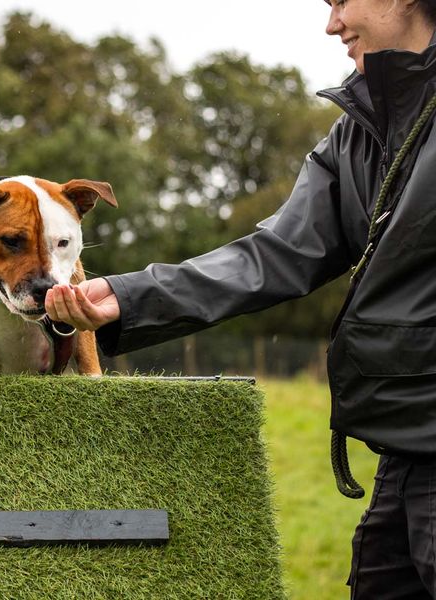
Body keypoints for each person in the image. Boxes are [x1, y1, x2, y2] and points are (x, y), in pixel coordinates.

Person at [45, 1, 436, 598]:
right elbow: (275, 254)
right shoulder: (360, 128)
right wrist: (126, 297)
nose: (331, 23)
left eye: (341, 0)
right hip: (404, 455)